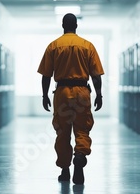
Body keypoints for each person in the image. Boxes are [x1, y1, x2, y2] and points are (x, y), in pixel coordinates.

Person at [37, 13, 104, 185]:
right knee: (82, 128)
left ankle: (65, 170)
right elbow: (96, 75)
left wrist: (44, 95)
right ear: (76, 26)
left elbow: (46, 75)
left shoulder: (54, 46)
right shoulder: (87, 46)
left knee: (62, 131)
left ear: (62, 25)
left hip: (62, 93)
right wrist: (99, 94)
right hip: (82, 92)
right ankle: (80, 157)